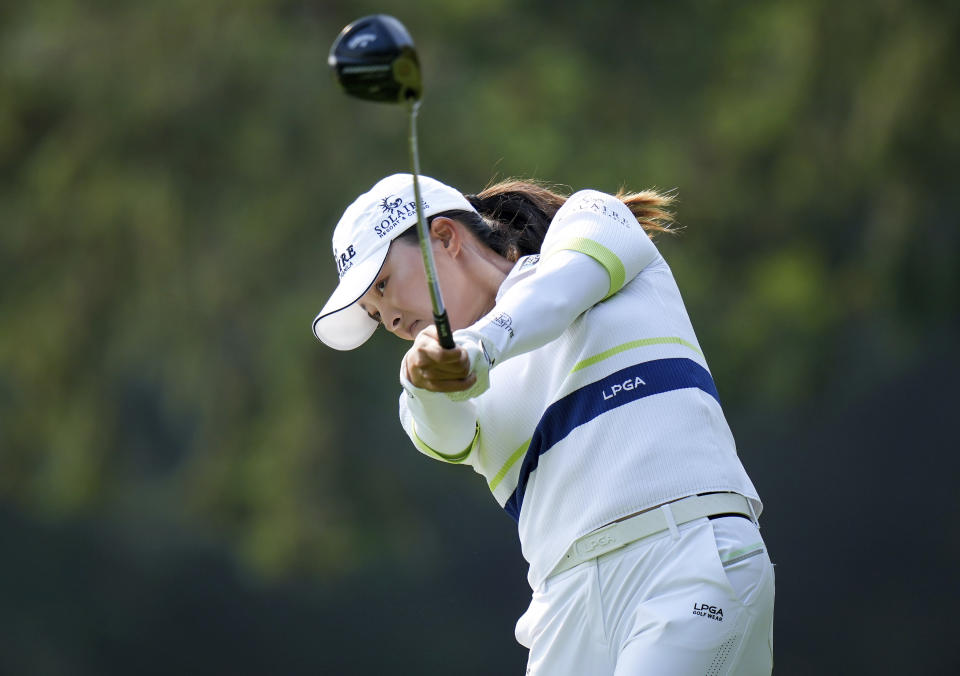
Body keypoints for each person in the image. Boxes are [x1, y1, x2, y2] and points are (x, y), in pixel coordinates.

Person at [312, 173, 775, 675]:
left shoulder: (592, 222)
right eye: (375, 313)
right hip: (564, 610)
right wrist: (427, 379)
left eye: (383, 285)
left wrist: (478, 347)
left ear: (444, 237)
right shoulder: (433, 389)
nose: (392, 321)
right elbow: (440, 426)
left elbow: (554, 294)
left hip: (684, 560)